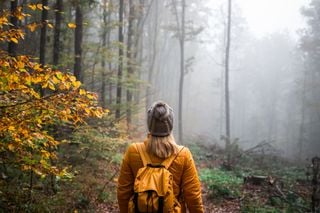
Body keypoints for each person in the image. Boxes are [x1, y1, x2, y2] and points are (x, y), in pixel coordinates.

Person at [117, 101, 204, 213]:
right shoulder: (183, 154)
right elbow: (193, 197)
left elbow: (123, 193)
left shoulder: (133, 151)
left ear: (150, 124)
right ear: (170, 125)